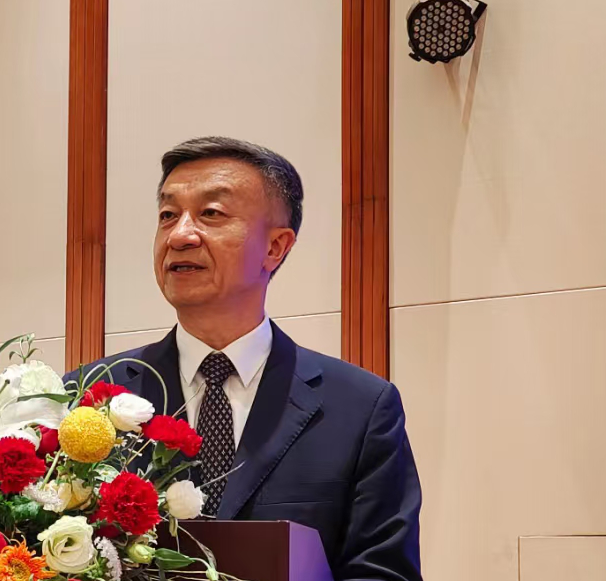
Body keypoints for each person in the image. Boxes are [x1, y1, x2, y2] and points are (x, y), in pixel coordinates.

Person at [68, 137, 421, 581]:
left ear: (275, 247)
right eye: (168, 215)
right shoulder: (86, 398)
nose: (180, 235)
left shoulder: (361, 408)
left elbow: (383, 572)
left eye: (211, 214)